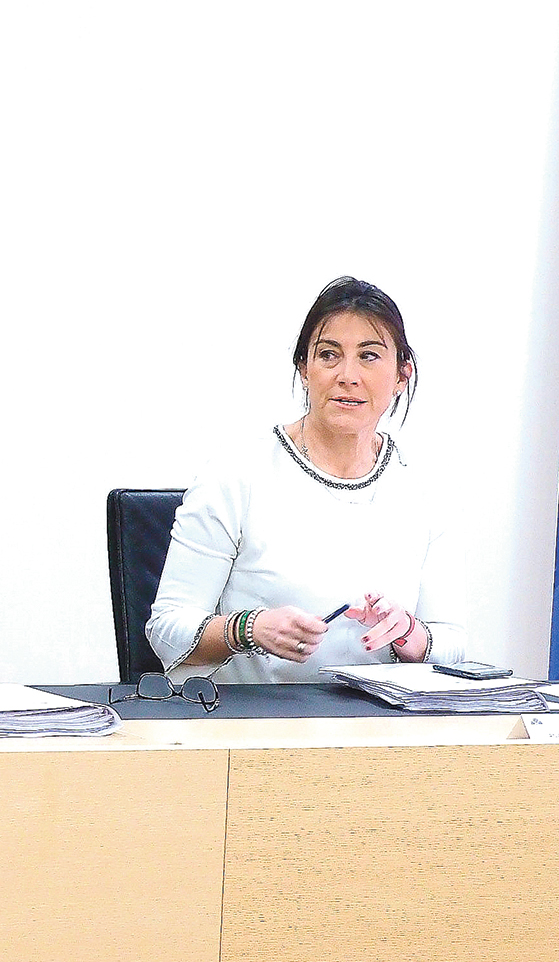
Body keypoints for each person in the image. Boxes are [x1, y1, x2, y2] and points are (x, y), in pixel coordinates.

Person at [146, 276, 468, 683]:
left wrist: (410, 635)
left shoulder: (423, 489)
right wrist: (247, 629)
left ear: (401, 375)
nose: (348, 375)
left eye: (369, 356)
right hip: (255, 716)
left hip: (377, 718)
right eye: (329, 355)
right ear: (304, 368)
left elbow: (453, 643)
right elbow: (166, 632)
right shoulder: (236, 474)